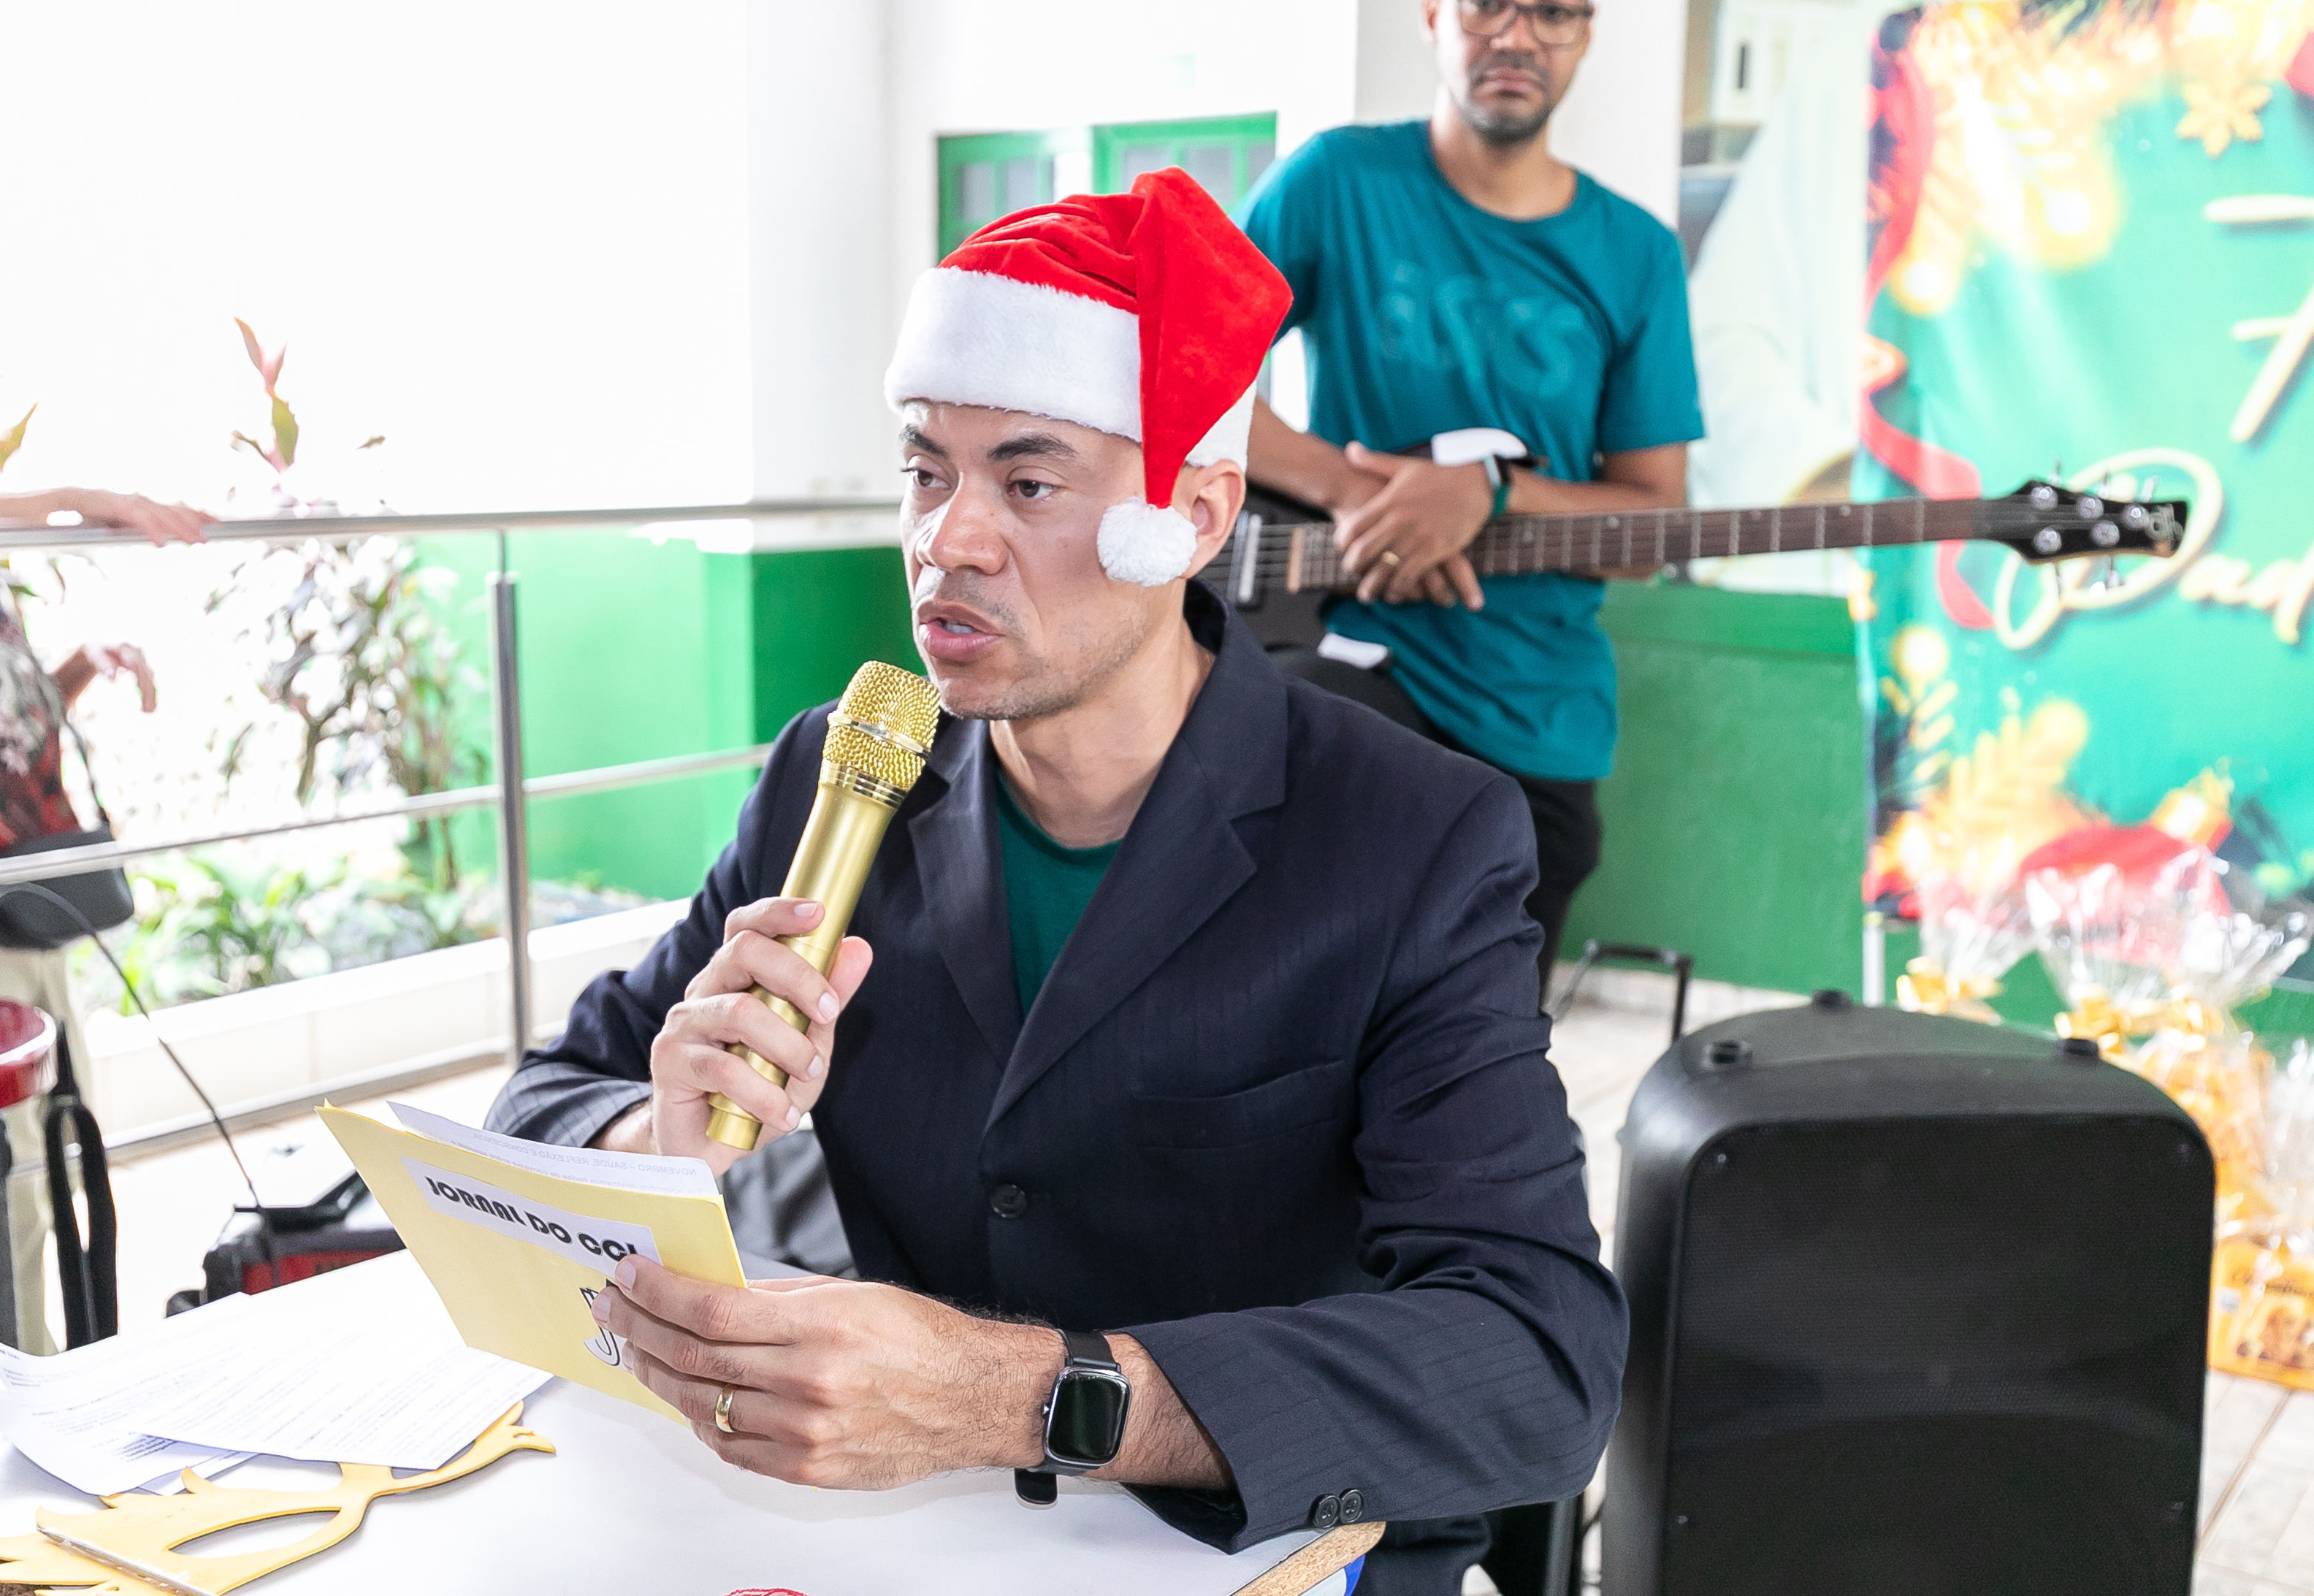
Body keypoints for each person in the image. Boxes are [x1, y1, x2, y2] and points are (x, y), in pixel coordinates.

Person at [489, 173, 1623, 1595]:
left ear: (1192, 515)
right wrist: (654, 1134)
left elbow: (1534, 1354)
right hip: (919, 1533)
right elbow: (540, 1099)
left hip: (1264, 1544)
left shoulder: (1412, 834)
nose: (947, 540)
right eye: (925, 473)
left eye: (1026, 484)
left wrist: (1024, 1395)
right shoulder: (844, 775)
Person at [1240, 0, 1704, 996]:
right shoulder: (1334, 183)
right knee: (1297, 1001)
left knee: (1477, 1048)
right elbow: (1177, 370)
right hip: (1348, 651)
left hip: (1535, 711)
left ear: (1585, 32)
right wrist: (1355, 494)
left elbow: (1650, 530)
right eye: (1489, 4)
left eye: (1553, 12)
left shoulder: (1634, 254)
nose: (1517, 35)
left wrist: (1492, 493)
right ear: (1434, 17)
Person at [0, 317, 204, 1352]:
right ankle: (5, 1400)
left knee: (47, 1154)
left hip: (19, 893)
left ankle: (48, 1381)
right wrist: (79, 496)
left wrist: (82, 666)